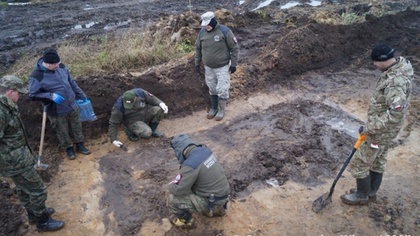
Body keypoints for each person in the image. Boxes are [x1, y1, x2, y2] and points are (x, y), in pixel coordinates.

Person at [341, 43, 414, 205]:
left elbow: (395, 113)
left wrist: (369, 127)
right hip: (388, 130)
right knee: (378, 160)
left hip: (381, 130)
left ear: (383, 59)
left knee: (359, 163)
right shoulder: (402, 66)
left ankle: (361, 196)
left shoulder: (395, 82)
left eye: (375, 61)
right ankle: (371, 192)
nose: (374, 64)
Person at [0, 75, 65, 231]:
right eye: (19, 93)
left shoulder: (6, 105)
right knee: (38, 189)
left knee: (23, 189)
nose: (20, 96)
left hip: (19, 156)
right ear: (10, 92)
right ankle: (43, 222)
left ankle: (33, 214)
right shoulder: (1, 111)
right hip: (14, 161)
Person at [28, 48, 91, 160]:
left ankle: (80, 145)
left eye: (59, 63)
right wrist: (50, 96)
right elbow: (32, 94)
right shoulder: (37, 75)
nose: (58, 66)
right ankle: (69, 148)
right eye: (55, 65)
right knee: (62, 131)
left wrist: (82, 95)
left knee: (77, 126)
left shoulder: (61, 67)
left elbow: (72, 82)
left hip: (72, 105)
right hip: (56, 110)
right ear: (47, 63)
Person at [168, 133, 230, 228]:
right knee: (196, 183)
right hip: (224, 194)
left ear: (178, 150)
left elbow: (179, 190)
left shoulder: (190, 165)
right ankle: (218, 210)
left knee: (173, 200)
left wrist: (170, 185)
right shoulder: (205, 150)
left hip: (213, 200)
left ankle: (187, 221)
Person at [194, 11, 239, 121]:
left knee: (222, 89)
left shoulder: (224, 31)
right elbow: (198, 49)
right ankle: (214, 108)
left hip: (222, 66)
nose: (206, 27)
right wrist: (197, 63)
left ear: (213, 21)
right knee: (212, 87)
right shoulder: (202, 33)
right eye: (205, 25)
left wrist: (233, 64)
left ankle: (221, 109)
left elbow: (234, 48)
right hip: (208, 67)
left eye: (208, 24)